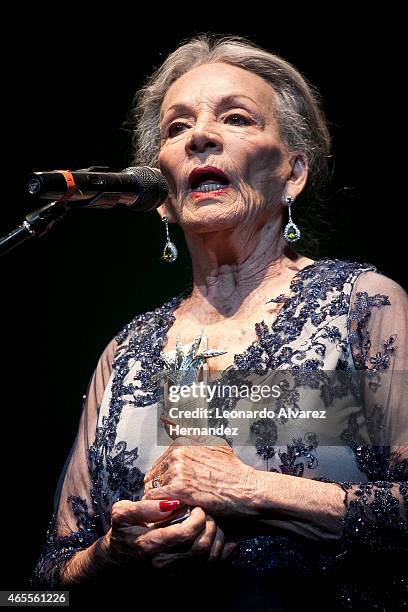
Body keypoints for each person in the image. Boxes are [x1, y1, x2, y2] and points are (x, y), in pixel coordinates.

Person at [32, 35, 408, 609]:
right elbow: (44, 588)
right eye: (177, 128)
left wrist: (250, 491)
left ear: (293, 172)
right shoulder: (127, 354)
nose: (201, 136)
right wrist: (113, 554)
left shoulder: (364, 307)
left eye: (235, 118)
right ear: (161, 194)